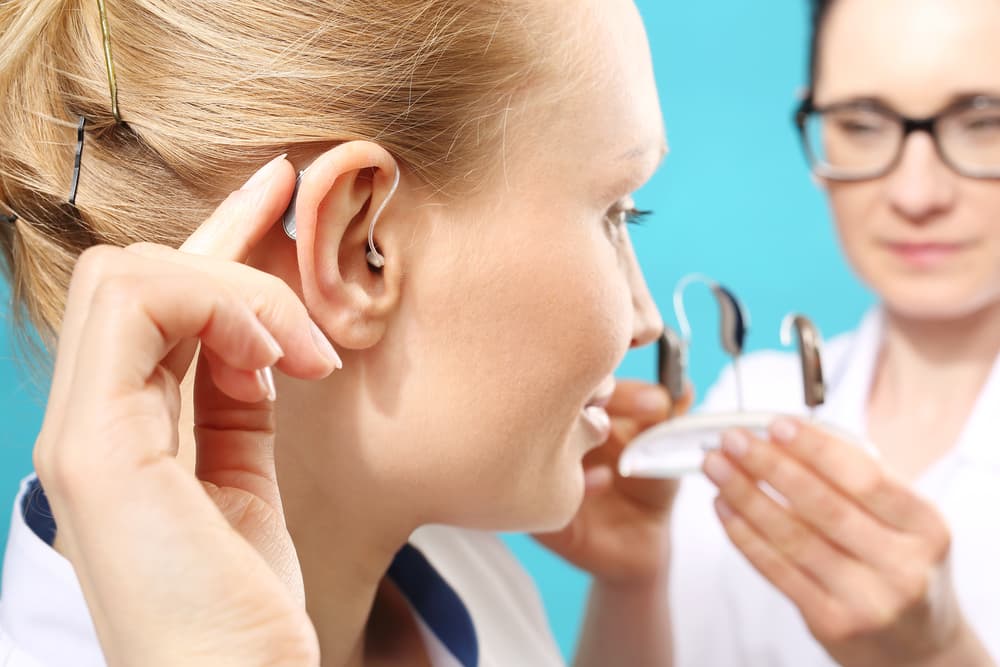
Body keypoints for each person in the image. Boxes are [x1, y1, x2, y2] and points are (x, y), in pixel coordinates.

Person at [0, 0, 684, 665]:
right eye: (617, 210)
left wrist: (632, 588)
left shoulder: (467, 581)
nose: (645, 318)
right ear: (359, 248)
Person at [668, 0, 1000, 664]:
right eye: (861, 124)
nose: (916, 193)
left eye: (984, 122)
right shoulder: (747, 407)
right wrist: (632, 576)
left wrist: (938, 656)